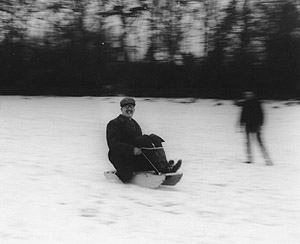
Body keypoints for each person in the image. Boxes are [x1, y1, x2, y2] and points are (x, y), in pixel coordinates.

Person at [106, 97, 182, 183]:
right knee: (144, 139)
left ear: (134, 109)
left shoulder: (135, 124)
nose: (129, 109)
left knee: (154, 138)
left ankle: (164, 166)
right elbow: (113, 144)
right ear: (121, 109)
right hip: (120, 156)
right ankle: (162, 168)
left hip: (134, 156)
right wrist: (132, 150)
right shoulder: (114, 124)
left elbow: (140, 143)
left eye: (131, 107)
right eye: (126, 107)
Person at [239, 91, 273, 165]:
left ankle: (267, 159)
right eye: (247, 94)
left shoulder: (257, 103)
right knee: (248, 142)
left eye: (249, 94)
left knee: (259, 142)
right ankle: (249, 158)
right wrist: (241, 124)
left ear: (253, 95)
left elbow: (261, 114)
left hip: (255, 125)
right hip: (248, 125)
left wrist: (260, 124)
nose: (248, 95)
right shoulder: (245, 103)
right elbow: (243, 114)